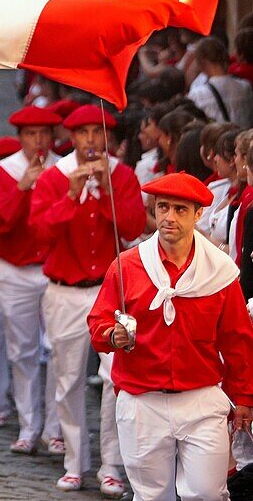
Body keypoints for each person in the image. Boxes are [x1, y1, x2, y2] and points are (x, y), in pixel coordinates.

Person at [88, 172, 253, 501]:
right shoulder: (127, 265)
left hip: (202, 398)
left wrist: (245, 398)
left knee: (208, 493)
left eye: (180, 210)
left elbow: (237, 340)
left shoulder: (220, 272)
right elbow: (98, 323)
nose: (169, 217)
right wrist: (112, 334)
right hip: (141, 398)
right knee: (151, 496)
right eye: (163, 207)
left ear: (198, 214)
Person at [30, 104, 146, 495]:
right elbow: (40, 234)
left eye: (98, 134)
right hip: (64, 290)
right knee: (67, 380)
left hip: (111, 291)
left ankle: (111, 465)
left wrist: (109, 191)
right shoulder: (53, 177)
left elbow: (131, 227)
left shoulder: (124, 176)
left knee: (117, 380)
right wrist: (71, 195)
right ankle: (74, 463)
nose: (92, 141)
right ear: (73, 139)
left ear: (108, 139)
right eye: (84, 134)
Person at [0, 105, 64, 456]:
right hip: (14, 271)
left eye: (44, 134)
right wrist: (22, 189)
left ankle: (54, 429)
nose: (38, 141)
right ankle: (28, 426)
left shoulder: (65, 170)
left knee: (58, 351)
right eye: (31, 134)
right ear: (20, 138)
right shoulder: (5, 173)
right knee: (22, 351)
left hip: (54, 270)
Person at [188, 37, 253, 127]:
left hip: (217, 140)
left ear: (202, 62)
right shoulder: (246, 87)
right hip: (244, 138)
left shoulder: (197, 94)